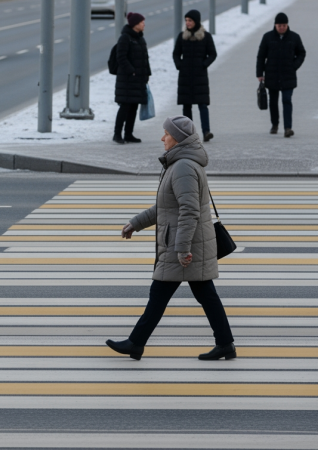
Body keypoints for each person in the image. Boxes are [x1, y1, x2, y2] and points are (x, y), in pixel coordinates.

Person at [106, 115, 235, 361]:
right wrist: (136, 223)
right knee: (203, 295)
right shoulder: (178, 164)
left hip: (184, 244)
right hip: (184, 242)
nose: (162, 137)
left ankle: (136, 343)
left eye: (166, 133)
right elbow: (165, 208)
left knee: (162, 294)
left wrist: (182, 248)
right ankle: (225, 343)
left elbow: (189, 210)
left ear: (177, 138)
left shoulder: (183, 167)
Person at [256, 12, 306, 138]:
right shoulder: (267, 37)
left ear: (287, 25)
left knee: (287, 100)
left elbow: (301, 53)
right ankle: (275, 124)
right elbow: (261, 56)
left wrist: (294, 66)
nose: (282, 27)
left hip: (288, 75)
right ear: (275, 25)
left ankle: (288, 128)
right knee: (273, 102)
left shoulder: (294, 37)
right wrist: (259, 73)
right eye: (279, 25)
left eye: (284, 25)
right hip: (272, 74)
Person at [173, 10, 217, 142]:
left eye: (190, 20)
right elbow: (176, 54)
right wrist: (180, 65)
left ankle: (206, 131)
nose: (187, 23)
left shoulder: (205, 36)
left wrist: (204, 64)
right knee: (186, 106)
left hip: (200, 76)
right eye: (186, 20)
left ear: (196, 21)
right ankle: (188, 134)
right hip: (185, 76)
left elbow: (213, 54)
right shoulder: (182, 36)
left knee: (202, 105)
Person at [113, 12, 151, 145]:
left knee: (133, 106)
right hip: (127, 79)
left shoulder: (140, 38)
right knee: (125, 106)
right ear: (135, 24)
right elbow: (121, 57)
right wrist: (132, 71)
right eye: (141, 22)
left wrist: (147, 74)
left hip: (139, 78)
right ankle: (117, 134)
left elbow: (145, 59)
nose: (143, 24)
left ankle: (128, 134)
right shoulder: (125, 38)